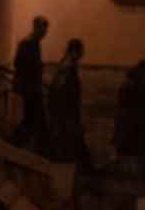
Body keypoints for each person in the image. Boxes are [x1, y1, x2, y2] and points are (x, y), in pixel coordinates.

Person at [49, 38, 92, 169]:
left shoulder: (67, 64)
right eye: (80, 51)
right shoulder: (68, 66)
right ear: (74, 50)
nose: (82, 54)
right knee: (71, 137)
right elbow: (61, 88)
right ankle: (84, 166)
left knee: (73, 138)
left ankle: (84, 165)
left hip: (66, 109)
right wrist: (67, 109)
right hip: (67, 110)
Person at [9, 16, 50, 154]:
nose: (45, 33)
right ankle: (16, 144)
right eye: (43, 29)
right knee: (36, 119)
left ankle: (15, 143)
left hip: (32, 87)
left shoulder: (34, 43)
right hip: (29, 87)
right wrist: (35, 68)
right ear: (36, 28)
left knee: (32, 120)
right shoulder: (28, 43)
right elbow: (19, 63)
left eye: (46, 30)